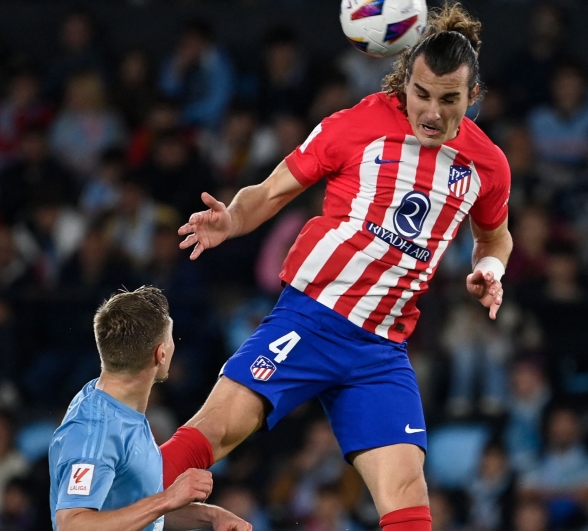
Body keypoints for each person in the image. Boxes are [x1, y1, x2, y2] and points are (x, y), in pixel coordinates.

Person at [162, 6, 513, 531]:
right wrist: (235, 217)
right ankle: (107, 513)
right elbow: (275, 188)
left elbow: (495, 236)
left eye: (449, 99)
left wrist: (490, 267)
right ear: (404, 81)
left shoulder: (487, 164)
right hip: (311, 319)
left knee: (408, 493)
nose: (433, 112)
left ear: (473, 96)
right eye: (422, 93)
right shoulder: (356, 124)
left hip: (380, 350)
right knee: (215, 431)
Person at [47, 286, 250, 531]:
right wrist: (167, 498)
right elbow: (72, 525)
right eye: (171, 338)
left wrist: (211, 516)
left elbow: (136, 507)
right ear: (160, 354)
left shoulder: (119, 406)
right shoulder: (94, 432)